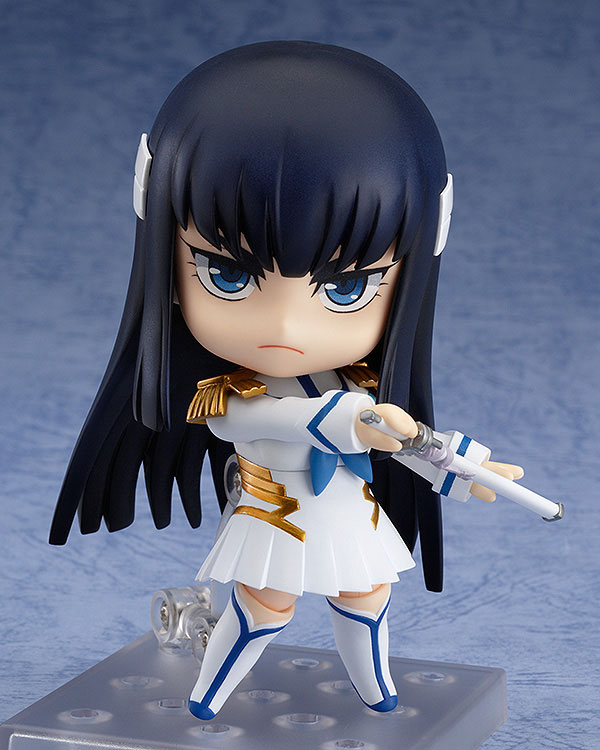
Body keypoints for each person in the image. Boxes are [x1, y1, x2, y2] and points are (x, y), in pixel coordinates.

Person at [50, 41, 519, 719]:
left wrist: (464, 468)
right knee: (264, 605)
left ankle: (376, 688)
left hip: (349, 513)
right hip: (278, 515)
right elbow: (257, 422)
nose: (285, 326)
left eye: (347, 286)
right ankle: (208, 694)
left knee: (367, 597)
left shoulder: (358, 381)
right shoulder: (231, 395)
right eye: (227, 274)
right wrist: (351, 422)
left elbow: (409, 441)